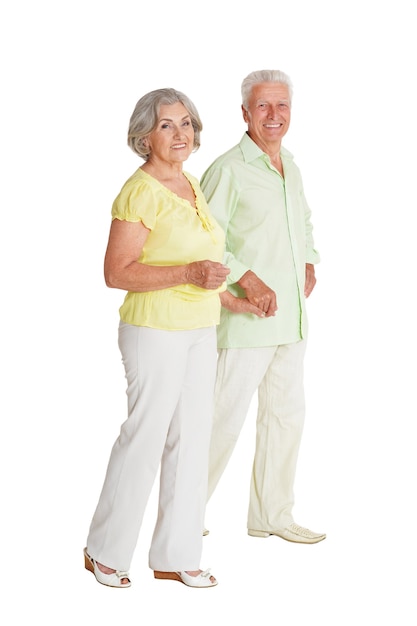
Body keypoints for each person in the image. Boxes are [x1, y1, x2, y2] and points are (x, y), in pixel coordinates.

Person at [84, 88, 230, 589]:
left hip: (200, 328)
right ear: (144, 135)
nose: (180, 134)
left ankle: (177, 554)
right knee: (144, 438)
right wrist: (189, 271)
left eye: (186, 123)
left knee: (192, 440)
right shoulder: (140, 191)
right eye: (167, 125)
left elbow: (206, 263)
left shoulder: (190, 184)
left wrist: (224, 289)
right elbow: (116, 272)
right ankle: (104, 549)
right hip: (154, 330)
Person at [200, 69, 326, 544]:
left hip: (291, 320)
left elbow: (305, 220)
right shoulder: (228, 169)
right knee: (220, 421)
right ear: (245, 113)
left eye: (282, 106)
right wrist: (245, 281)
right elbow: (205, 240)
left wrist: (309, 260)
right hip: (245, 321)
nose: (274, 116)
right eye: (263, 107)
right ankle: (183, 517)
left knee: (285, 417)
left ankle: (271, 516)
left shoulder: (289, 164)